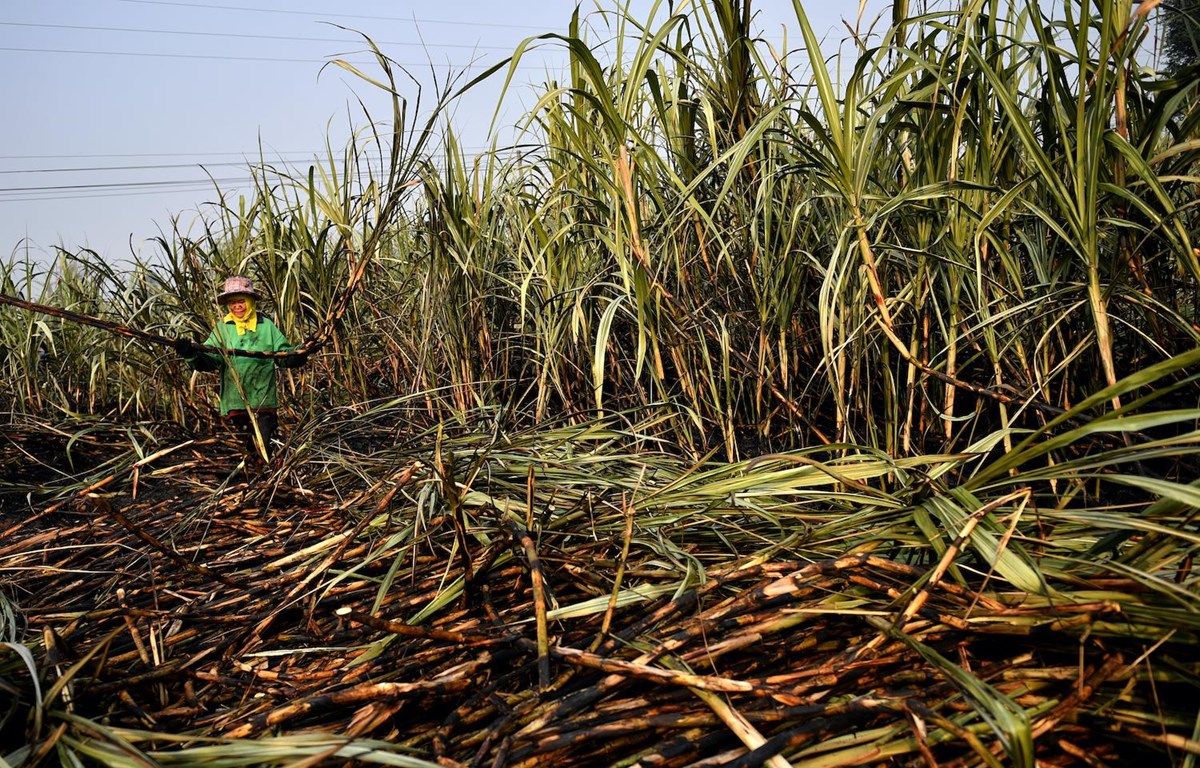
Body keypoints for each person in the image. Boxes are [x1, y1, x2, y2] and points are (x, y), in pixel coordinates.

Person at [175, 275, 307, 462]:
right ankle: (254, 481)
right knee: (247, 449)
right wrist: (190, 354)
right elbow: (210, 361)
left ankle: (267, 481)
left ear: (251, 301)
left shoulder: (266, 326)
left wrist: (300, 354)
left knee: (262, 444)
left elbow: (284, 357)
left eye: (241, 301)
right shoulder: (223, 328)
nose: (237, 306)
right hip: (235, 401)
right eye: (232, 302)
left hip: (263, 399)